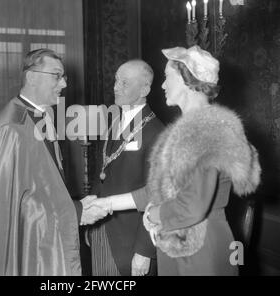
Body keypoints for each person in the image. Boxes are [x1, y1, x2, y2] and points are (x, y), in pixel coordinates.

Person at [89, 45, 261, 275]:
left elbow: (192, 205)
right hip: (182, 240)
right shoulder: (190, 128)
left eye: (168, 77)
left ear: (187, 80)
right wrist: (108, 204)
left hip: (199, 247)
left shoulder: (202, 131)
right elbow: (162, 190)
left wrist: (152, 215)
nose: (162, 85)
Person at [0, 48, 106, 276]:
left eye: (64, 77)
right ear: (31, 77)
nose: (64, 84)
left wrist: (75, 205)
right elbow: (12, 209)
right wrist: (76, 211)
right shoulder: (12, 129)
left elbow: (41, 189)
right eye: (57, 76)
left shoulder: (40, 116)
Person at [86, 60, 164, 276]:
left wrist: (145, 250)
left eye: (125, 83)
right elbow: (101, 173)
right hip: (102, 230)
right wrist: (90, 221)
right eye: (116, 80)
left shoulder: (157, 132)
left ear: (144, 89)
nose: (115, 87)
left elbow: (157, 195)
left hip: (130, 242)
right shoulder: (113, 122)